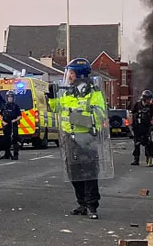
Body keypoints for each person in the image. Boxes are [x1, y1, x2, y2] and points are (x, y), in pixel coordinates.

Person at [58, 58, 108, 220]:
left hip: (87, 137)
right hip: (69, 138)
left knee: (89, 172)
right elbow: (59, 108)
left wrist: (78, 118)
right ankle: (81, 203)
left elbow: (100, 114)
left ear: (79, 74)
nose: (69, 76)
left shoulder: (94, 93)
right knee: (73, 172)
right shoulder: (67, 91)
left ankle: (91, 205)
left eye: (71, 73)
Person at [130, 90, 153, 166]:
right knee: (136, 144)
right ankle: (136, 160)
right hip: (137, 127)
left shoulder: (151, 106)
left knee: (147, 144)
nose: (150, 101)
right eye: (148, 99)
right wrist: (131, 124)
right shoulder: (137, 105)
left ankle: (148, 161)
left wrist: (152, 124)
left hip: (146, 127)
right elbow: (132, 114)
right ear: (144, 98)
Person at [0, 90, 22, 160]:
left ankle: (15, 154)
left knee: (14, 139)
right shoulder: (4, 106)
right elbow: (0, 115)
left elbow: (20, 116)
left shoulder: (16, 106)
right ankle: (7, 154)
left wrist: (15, 120)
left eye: (11, 97)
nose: (10, 98)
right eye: (8, 97)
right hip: (6, 125)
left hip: (13, 125)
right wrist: (3, 122)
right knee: (6, 140)